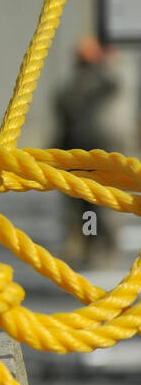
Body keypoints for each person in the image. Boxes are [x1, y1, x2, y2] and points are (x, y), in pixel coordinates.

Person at [54, 36, 126, 270]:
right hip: (82, 150)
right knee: (87, 205)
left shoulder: (96, 82)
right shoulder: (80, 83)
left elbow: (113, 86)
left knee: (97, 204)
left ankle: (101, 248)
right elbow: (64, 111)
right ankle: (90, 246)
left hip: (95, 149)